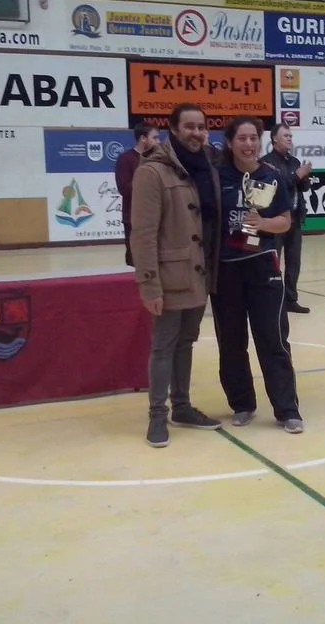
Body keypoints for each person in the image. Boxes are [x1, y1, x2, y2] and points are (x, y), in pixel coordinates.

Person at [129, 103, 223, 448]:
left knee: (186, 342)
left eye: (201, 127)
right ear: (173, 129)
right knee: (163, 346)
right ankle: (157, 415)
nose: (196, 133)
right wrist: (149, 285)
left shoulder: (209, 165)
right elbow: (143, 235)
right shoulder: (152, 172)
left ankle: (182, 407)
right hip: (169, 278)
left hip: (199, 274)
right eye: (189, 126)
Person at [212, 116, 304, 434]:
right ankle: (242, 404)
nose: (249, 144)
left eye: (254, 138)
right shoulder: (217, 177)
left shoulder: (270, 175)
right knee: (231, 342)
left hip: (263, 266)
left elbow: (285, 221)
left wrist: (263, 224)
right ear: (230, 143)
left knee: (273, 338)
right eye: (242, 138)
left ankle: (287, 409)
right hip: (226, 269)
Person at [260, 123, 312, 313]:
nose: (290, 138)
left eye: (290, 136)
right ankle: (271, 298)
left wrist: (304, 176)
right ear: (274, 139)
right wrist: (298, 175)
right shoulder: (266, 162)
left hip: (295, 219)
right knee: (273, 261)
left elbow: (303, 187)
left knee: (294, 262)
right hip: (275, 220)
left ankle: (290, 299)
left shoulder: (295, 161)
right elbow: (278, 185)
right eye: (286, 135)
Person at [115, 122, 160, 266]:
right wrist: (145, 180)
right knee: (136, 260)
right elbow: (124, 188)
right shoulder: (125, 159)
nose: (158, 142)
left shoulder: (159, 159)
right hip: (133, 219)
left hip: (156, 218)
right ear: (143, 139)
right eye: (155, 138)